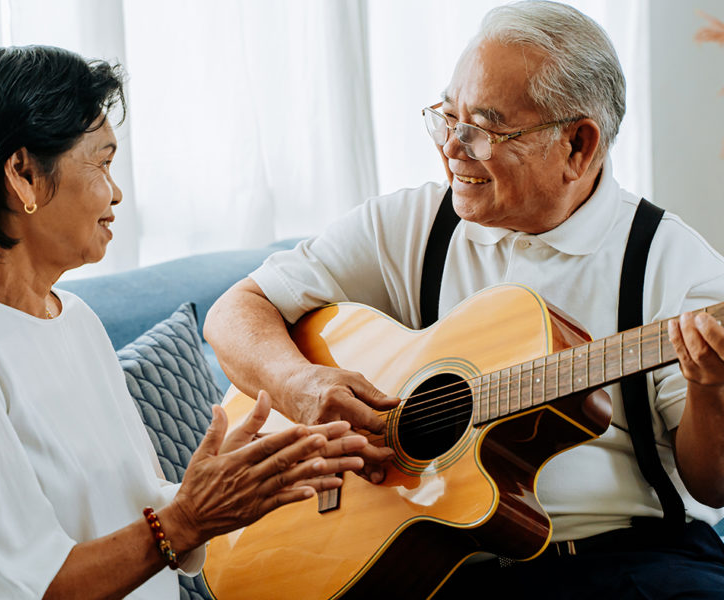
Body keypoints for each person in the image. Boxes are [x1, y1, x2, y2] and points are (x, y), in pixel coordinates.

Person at [205, 1, 724, 597]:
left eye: (483, 129)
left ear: (579, 146)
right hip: (439, 562)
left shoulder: (678, 267)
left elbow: (714, 487)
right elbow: (236, 311)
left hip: (630, 557)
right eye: (447, 118)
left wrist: (711, 388)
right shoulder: (412, 224)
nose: (453, 147)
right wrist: (302, 386)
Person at [0, 45, 369, 599]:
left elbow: (122, 510)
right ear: (23, 175)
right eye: (102, 162)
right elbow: (28, 589)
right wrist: (187, 517)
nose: (115, 194)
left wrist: (215, 488)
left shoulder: (73, 316)